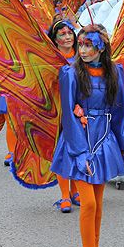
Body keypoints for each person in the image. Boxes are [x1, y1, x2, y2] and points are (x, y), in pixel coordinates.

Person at [50, 24, 124, 247]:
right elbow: (68, 114)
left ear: (101, 47)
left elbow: (119, 110)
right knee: (88, 203)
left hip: (104, 141)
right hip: (79, 140)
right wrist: (79, 153)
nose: (83, 49)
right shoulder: (70, 73)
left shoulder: (115, 71)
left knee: (98, 204)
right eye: (81, 45)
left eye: (88, 45)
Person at [47, 18, 79, 213]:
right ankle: (64, 195)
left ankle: (76, 192)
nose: (67, 37)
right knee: (61, 152)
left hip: (80, 110)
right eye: (62, 34)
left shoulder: (83, 54)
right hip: (57, 111)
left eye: (70, 33)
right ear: (55, 39)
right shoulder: (50, 57)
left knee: (79, 150)